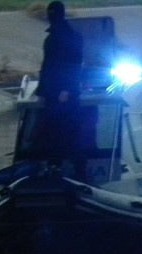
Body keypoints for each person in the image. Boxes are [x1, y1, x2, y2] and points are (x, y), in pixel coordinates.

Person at [34, 0, 84, 173]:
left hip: (64, 93)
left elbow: (74, 64)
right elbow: (47, 66)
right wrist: (41, 90)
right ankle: (55, 166)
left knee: (68, 131)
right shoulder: (53, 38)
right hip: (52, 92)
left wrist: (67, 89)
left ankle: (76, 168)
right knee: (54, 132)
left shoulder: (71, 38)